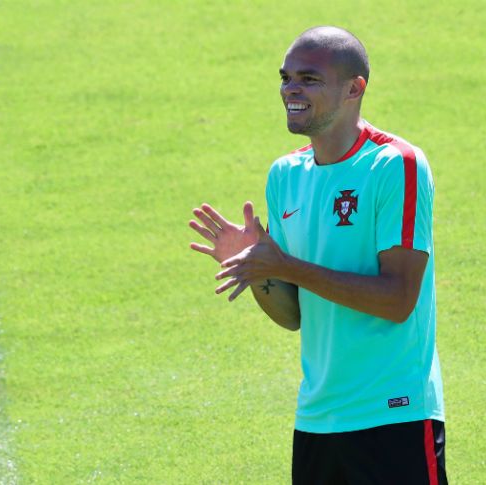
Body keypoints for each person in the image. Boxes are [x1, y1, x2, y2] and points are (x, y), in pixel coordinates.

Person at [189, 25, 448, 484]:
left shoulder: (395, 165)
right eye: (286, 77)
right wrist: (256, 270)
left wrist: (284, 265)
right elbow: (292, 314)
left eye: (308, 79)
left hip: (395, 415)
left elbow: (398, 299)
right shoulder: (285, 175)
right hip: (317, 420)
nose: (291, 89)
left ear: (354, 88)